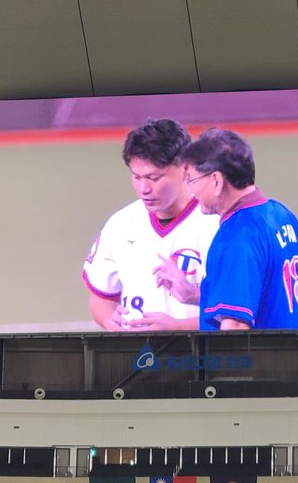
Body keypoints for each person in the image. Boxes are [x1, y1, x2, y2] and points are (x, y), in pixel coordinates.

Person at [82, 119, 218, 332]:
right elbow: (101, 299)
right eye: (136, 177)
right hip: (140, 352)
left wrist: (178, 328)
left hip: (203, 351)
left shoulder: (217, 224)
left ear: (185, 169)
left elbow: (240, 315)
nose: (144, 188)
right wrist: (110, 321)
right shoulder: (120, 225)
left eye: (154, 178)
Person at [183, 128, 298, 331]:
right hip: (292, 347)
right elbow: (263, 292)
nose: (191, 190)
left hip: (260, 352)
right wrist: (196, 295)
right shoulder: (282, 215)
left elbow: (235, 327)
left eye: (192, 180)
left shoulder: (237, 236)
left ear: (216, 181)